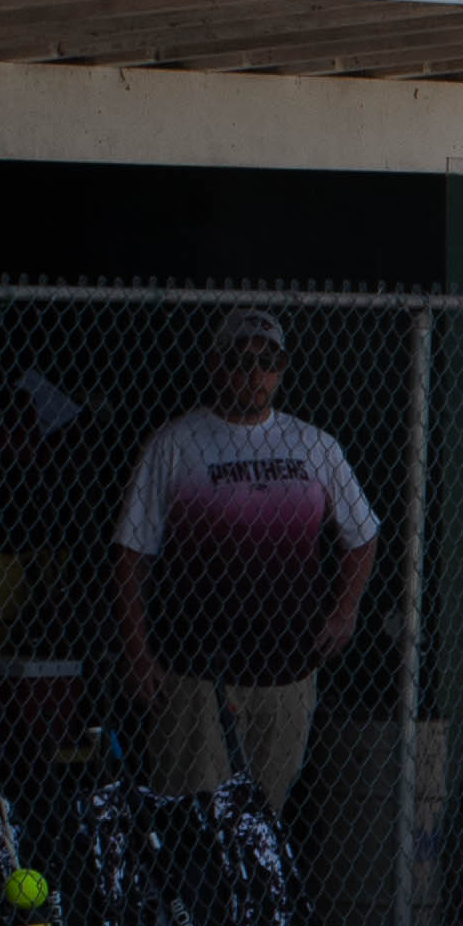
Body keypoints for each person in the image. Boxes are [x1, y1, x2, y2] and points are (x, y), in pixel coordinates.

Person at [110, 307, 381, 811]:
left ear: (283, 368)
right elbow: (132, 553)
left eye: (269, 360)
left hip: (287, 672)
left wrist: (345, 610)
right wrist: (137, 651)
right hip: (196, 673)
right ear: (215, 364)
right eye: (241, 359)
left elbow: (362, 535)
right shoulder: (176, 444)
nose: (256, 373)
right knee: (193, 818)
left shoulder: (315, 446)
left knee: (266, 815)